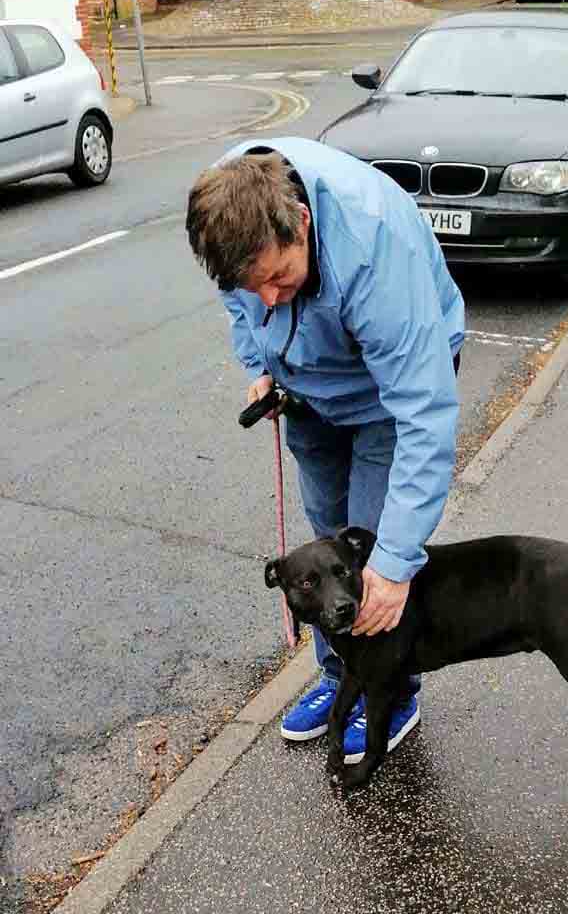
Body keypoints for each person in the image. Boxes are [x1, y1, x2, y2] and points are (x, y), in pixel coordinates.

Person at [186, 137, 465, 761]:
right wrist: (261, 363)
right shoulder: (231, 220)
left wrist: (396, 565)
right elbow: (245, 308)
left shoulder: (372, 252)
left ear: (303, 223)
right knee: (325, 551)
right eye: (251, 286)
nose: (268, 298)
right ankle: (341, 676)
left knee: (368, 553)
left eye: (280, 278)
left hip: (387, 398)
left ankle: (392, 691)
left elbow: (424, 417)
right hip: (305, 389)